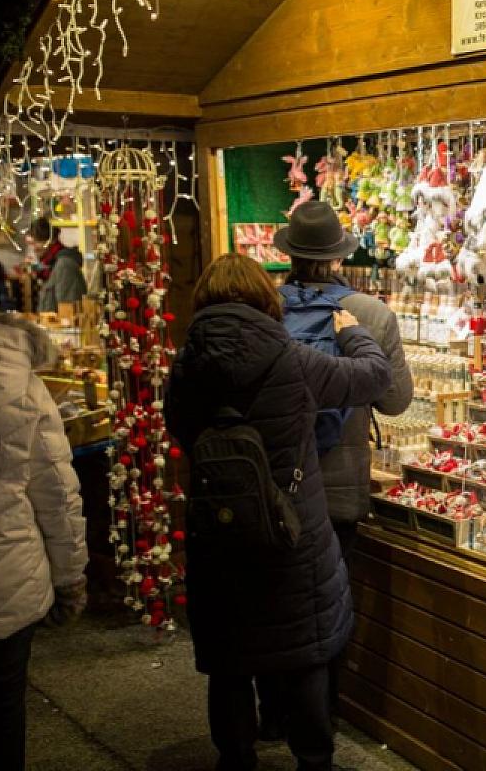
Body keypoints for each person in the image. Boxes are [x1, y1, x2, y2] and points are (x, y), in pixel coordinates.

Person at [166, 253, 390, 771]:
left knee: (228, 659)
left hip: (217, 531)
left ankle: (237, 758)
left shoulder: (184, 366)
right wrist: (352, 332)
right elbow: (373, 378)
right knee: (304, 650)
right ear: (265, 301)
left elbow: (181, 432)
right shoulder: (291, 358)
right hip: (293, 529)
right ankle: (313, 759)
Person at [267, 201, 414, 738]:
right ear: (337, 255)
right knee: (329, 601)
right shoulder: (371, 314)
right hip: (339, 485)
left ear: (288, 252)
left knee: (272, 595)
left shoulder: (262, 309)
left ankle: (272, 714)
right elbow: (396, 401)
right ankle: (322, 716)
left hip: (274, 482)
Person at [0, 290, 89, 771]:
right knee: (4, 713)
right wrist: (70, 576)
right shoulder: (18, 377)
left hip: (7, 574)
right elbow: (56, 490)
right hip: (7, 578)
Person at [37, 225, 87, 313]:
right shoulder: (51, 264)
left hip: (60, 325)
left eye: (35, 242)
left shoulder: (64, 265)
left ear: (50, 242)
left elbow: (67, 309)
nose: (34, 248)